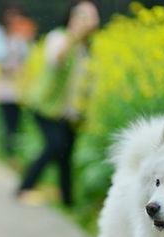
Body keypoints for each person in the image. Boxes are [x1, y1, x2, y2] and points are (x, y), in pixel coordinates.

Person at [18, 0, 99, 206]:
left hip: (69, 113)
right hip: (45, 106)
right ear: (72, 17)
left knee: (66, 156)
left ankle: (67, 202)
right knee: (55, 146)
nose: (89, 19)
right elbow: (56, 60)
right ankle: (24, 188)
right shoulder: (58, 37)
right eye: (84, 15)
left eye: (92, 15)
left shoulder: (87, 47)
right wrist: (74, 34)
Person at [0, 4, 36, 156]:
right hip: (3, 81)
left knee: (18, 118)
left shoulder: (22, 33)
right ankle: (8, 149)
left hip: (20, 82)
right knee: (6, 116)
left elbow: (27, 54)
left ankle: (15, 148)